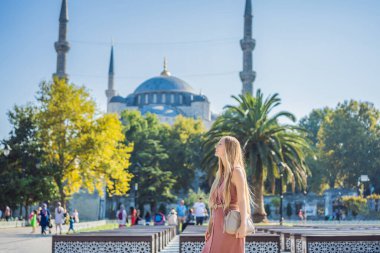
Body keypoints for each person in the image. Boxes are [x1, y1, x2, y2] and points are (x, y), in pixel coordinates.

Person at [202, 136, 253, 253]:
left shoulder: (236, 171)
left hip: (230, 225)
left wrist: (243, 224)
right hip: (217, 225)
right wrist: (210, 226)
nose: (216, 146)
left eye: (220, 144)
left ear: (228, 148)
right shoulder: (221, 174)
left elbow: (242, 200)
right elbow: (216, 204)